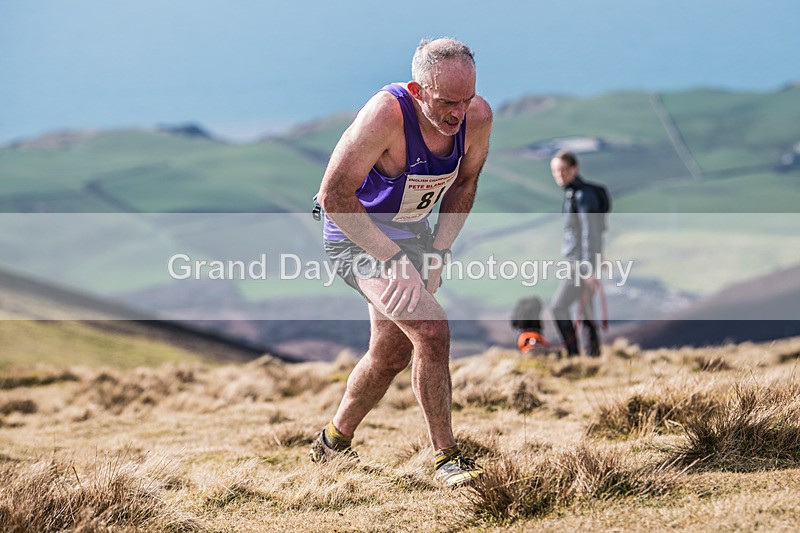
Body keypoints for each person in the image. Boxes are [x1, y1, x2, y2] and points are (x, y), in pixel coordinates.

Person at [310, 37, 492, 488]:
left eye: (466, 99)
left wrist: (438, 251)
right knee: (431, 330)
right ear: (417, 90)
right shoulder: (386, 115)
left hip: (413, 234)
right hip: (358, 234)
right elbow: (333, 197)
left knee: (389, 353)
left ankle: (332, 442)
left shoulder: (477, 117)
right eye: (447, 102)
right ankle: (446, 458)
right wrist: (392, 260)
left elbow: (465, 183)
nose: (458, 113)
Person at [549, 150, 604, 357]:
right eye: (555, 171)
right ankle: (593, 357)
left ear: (575, 168)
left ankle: (573, 355)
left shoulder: (582, 195)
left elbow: (590, 232)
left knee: (558, 307)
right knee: (587, 309)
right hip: (580, 261)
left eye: (563, 170)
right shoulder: (573, 193)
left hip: (580, 264)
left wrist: (589, 268)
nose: (559, 175)